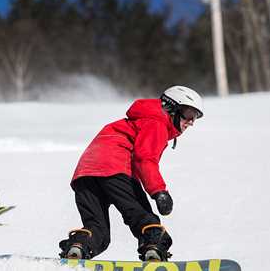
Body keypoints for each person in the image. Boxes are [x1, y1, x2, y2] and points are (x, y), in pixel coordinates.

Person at [57, 86, 204, 262]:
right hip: (116, 168)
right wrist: (159, 192)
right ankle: (154, 251)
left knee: (98, 231)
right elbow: (145, 158)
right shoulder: (157, 122)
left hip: (85, 175)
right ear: (171, 107)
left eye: (195, 117)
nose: (191, 122)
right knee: (144, 219)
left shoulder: (138, 120)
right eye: (188, 114)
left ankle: (78, 247)